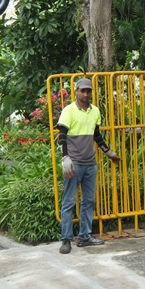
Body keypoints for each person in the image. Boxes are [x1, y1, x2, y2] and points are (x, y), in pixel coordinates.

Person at [57, 78, 121, 254]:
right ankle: (66, 240)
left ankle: (85, 237)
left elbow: (96, 135)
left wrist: (108, 152)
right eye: (82, 91)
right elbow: (61, 136)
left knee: (89, 201)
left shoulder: (95, 111)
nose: (86, 94)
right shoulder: (68, 111)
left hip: (90, 164)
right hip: (74, 163)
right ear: (76, 91)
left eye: (88, 91)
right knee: (69, 201)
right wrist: (65, 158)